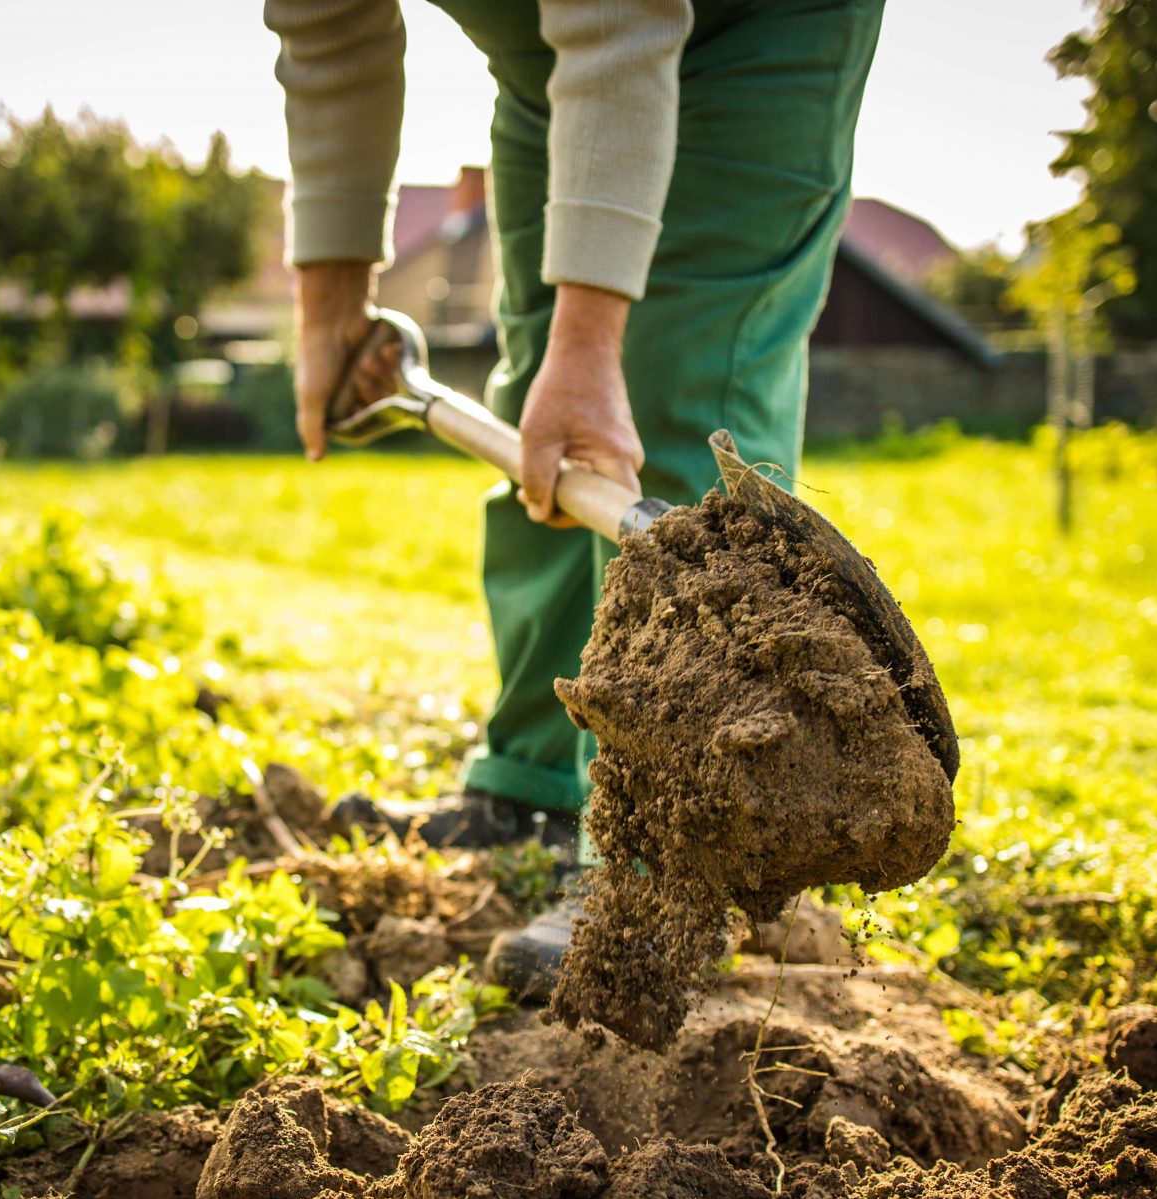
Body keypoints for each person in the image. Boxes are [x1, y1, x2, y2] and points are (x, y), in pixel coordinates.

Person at [265, 0, 883, 993]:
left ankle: (668, 861)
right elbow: (327, 23)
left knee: (674, 398)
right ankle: (535, 786)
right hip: (546, 55)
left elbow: (618, 17)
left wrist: (593, 338)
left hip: (755, 23)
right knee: (537, 412)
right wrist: (329, 302)